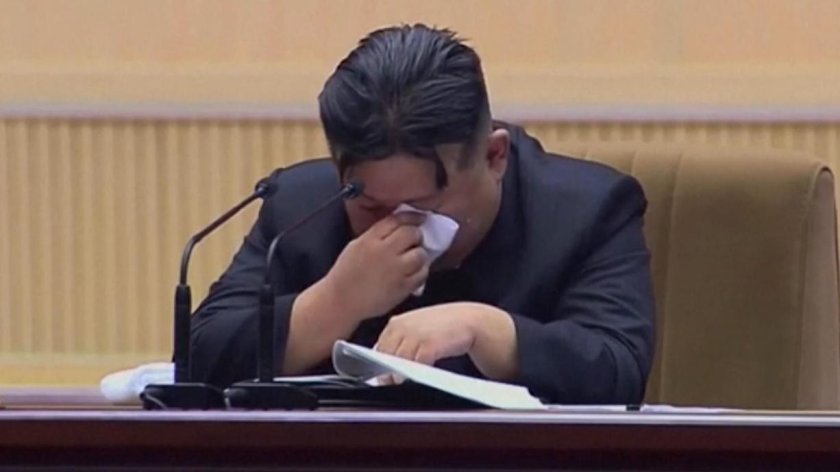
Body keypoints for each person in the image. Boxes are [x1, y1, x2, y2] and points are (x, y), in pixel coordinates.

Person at [190, 24, 654, 404]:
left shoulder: (588, 211)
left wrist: (484, 329)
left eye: (422, 208)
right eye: (370, 205)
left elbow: (619, 372)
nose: (395, 225)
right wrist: (336, 301)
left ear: (494, 157)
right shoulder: (299, 206)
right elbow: (197, 359)